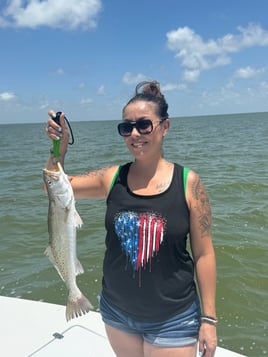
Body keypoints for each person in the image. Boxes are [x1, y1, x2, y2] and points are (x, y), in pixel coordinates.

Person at [45, 81, 217, 357]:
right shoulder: (111, 178)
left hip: (173, 318)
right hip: (117, 312)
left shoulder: (189, 183)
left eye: (144, 125)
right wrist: (58, 150)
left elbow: (204, 254)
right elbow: (52, 187)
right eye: (127, 127)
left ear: (165, 127)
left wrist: (208, 319)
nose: (135, 133)